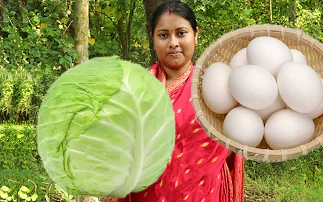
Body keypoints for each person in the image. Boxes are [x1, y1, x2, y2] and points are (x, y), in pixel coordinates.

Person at [105, 1, 245, 202]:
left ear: (195, 35)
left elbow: (237, 138)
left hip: (203, 193)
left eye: (181, 33)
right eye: (163, 35)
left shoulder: (215, 87)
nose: (173, 43)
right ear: (153, 38)